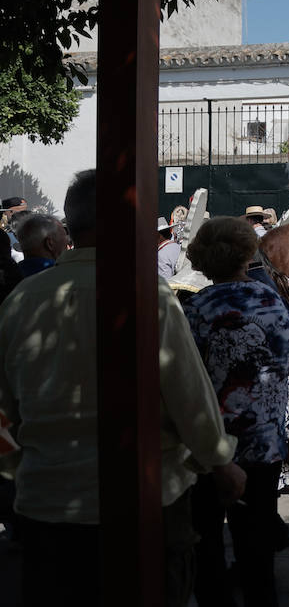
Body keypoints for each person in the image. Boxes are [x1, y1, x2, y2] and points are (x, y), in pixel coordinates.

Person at [0, 170, 243, 606]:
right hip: (146, 505)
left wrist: (24, 471)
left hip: (46, 506)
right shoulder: (148, 294)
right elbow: (189, 396)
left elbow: (4, 409)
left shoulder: (21, 300)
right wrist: (220, 462)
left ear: (70, 228)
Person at [183, 217, 289, 607]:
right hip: (264, 449)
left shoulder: (195, 309)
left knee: (205, 547)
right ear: (248, 255)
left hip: (208, 451)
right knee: (257, 554)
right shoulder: (273, 306)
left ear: (202, 260)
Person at [14, 213, 65, 279]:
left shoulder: (10, 275)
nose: (68, 240)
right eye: (64, 235)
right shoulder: (62, 275)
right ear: (50, 243)